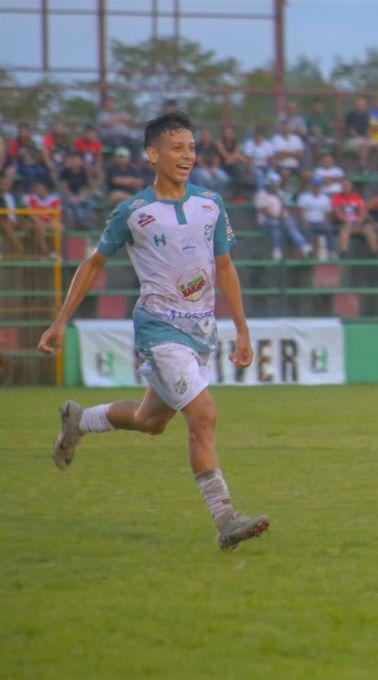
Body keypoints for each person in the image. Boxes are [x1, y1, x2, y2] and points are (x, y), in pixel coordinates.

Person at [36, 111, 269, 551]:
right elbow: (93, 265)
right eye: (177, 147)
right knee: (203, 416)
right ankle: (226, 520)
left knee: (151, 421)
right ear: (153, 153)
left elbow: (225, 267)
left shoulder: (211, 204)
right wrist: (61, 319)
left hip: (200, 333)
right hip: (158, 331)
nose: (187, 156)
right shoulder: (134, 212)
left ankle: (79, 420)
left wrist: (242, 330)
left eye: (192, 148)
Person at [255, 172, 312, 261]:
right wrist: (281, 219)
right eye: (273, 182)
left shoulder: (280, 193)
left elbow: (284, 208)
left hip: (280, 220)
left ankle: (303, 248)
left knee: (288, 225)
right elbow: (265, 211)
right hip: (266, 221)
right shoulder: (261, 194)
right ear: (268, 183)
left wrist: (284, 218)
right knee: (279, 226)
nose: (275, 184)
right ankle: (303, 246)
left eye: (276, 182)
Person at [333, 177, 378, 258]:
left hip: (357, 224)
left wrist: (359, 222)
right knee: (345, 229)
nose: (345, 187)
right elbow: (338, 214)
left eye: (347, 185)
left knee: (369, 230)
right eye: (343, 186)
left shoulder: (357, 197)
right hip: (344, 223)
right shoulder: (337, 198)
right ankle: (344, 253)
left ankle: (375, 253)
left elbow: (362, 212)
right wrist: (347, 221)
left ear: (351, 187)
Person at [297, 177, 334, 261]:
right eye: (315, 186)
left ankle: (331, 252)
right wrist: (304, 220)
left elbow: (328, 214)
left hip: (321, 222)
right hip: (308, 222)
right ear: (311, 186)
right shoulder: (304, 197)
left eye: (318, 186)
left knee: (329, 229)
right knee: (305, 230)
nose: (317, 188)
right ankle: (307, 254)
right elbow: (301, 212)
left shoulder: (325, 198)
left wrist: (327, 221)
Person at [59, 152, 97, 230]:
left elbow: (88, 187)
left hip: (81, 195)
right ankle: (78, 223)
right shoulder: (65, 172)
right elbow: (64, 187)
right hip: (68, 195)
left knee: (92, 204)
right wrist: (72, 197)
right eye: (73, 160)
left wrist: (81, 197)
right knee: (70, 205)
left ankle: (84, 222)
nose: (75, 162)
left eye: (77, 160)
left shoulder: (84, 172)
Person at [24, 179, 62, 258]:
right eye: (38, 189)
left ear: (46, 189)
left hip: (49, 223)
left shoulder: (54, 199)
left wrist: (50, 223)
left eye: (41, 189)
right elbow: (31, 214)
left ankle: (54, 252)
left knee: (60, 228)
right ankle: (46, 252)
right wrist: (40, 222)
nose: (39, 191)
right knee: (39, 228)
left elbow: (57, 215)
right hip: (38, 223)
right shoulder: (32, 199)